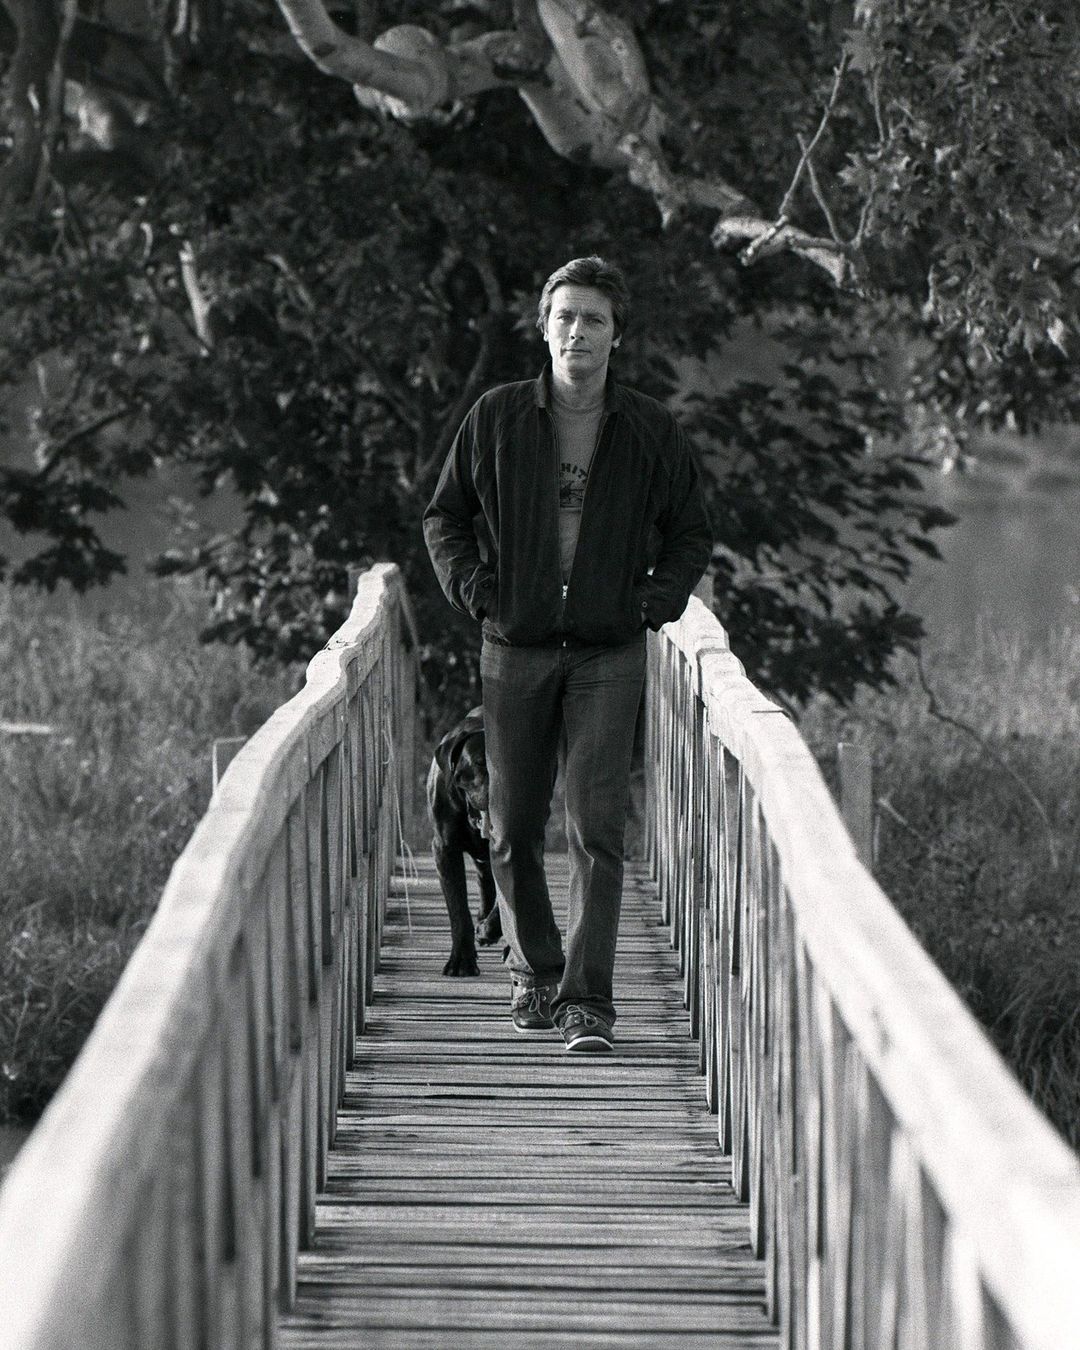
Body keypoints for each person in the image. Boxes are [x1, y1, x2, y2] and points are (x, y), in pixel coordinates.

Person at [423, 255, 712, 1053]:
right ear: (543, 327)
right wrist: (478, 590)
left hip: (606, 651)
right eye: (565, 316)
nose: (577, 331)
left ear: (617, 335)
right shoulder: (497, 417)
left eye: (593, 319)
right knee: (513, 829)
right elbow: (443, 517)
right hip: (512, 647)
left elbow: (691, 529)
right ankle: (535, 972)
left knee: (596, 829)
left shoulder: (648, 428)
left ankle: (587, 1002)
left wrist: (655, 601)